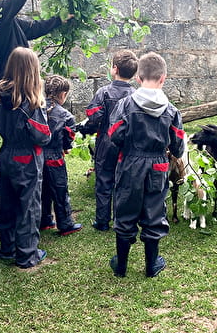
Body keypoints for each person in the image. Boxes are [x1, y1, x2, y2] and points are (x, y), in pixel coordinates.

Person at [107, 51, 185, 278]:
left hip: (130, 162)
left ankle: (121, 265)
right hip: (158, 165)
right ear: (163, 78)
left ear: (138, 78)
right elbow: (178, 147)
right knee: (154, 211)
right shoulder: (172, 111)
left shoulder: (124, 105)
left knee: (125, 208)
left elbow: (114, 135)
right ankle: (152, 265)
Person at [0, 47, 51, 269]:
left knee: (7, 202)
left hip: (6, 153)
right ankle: (27, 254)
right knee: (29, 206)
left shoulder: (1, 98)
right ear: (32, 71)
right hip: (27, 157)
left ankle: (7, 248)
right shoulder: (32, 103)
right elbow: (42, 136)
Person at [78, 50, 138, 232]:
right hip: (128, 147)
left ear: (114, 69)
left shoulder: (104, 92)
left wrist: (84, 129)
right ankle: (121, 220)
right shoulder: (136, 95)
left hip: (105, 143)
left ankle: (102, 222)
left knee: (104, 181)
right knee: (124, 183)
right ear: (134, 73)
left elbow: (94, 117)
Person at [40, 75, 82, 235]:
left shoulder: (36, 109)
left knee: (42, 190)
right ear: (63, 94)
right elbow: (68, 138)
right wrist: (66, 147)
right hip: (55, 159)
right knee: (60, 191)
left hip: (37, 157)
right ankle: (65, 224)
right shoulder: (66, 116)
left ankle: (44, 220)